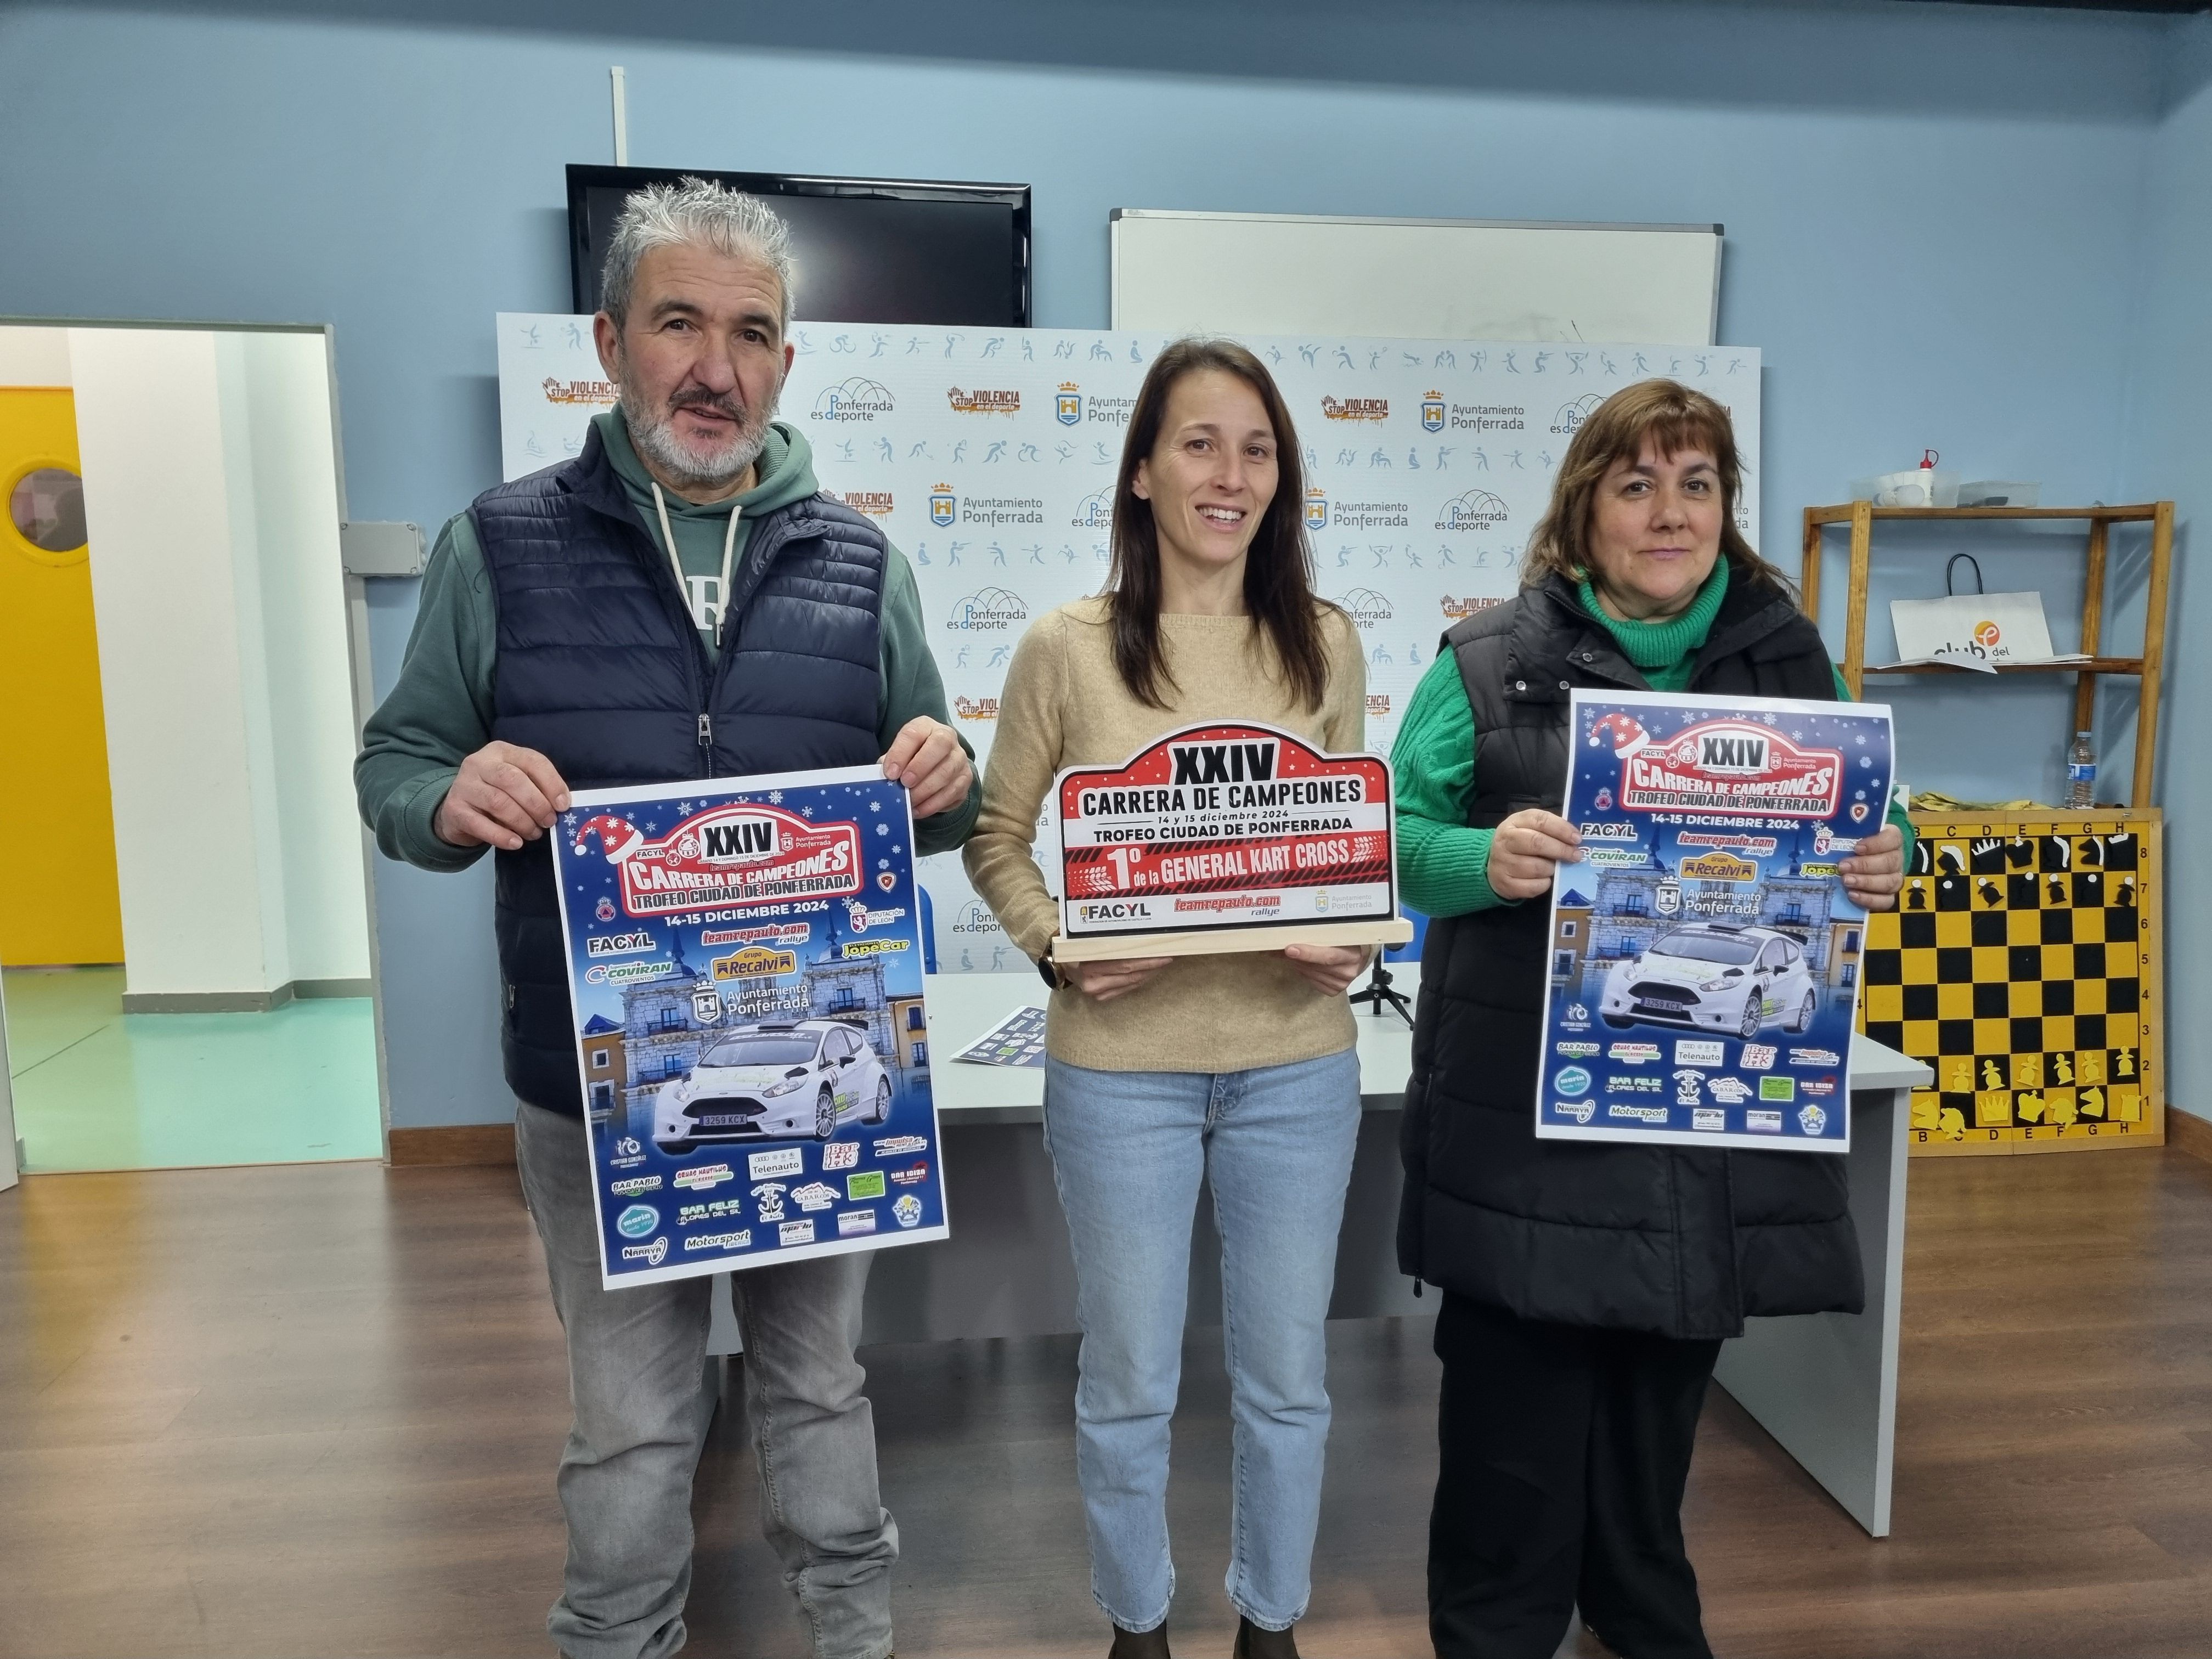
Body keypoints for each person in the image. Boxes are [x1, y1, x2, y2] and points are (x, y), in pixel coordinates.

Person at [356, 179, 979, 1659]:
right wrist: (452, 795)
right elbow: (398, 765)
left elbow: (937, 794)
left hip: (825, 1082)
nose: (718, 366)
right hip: (601, 1092)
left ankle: (851, 1634)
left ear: (786, 359)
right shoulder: (495, 544)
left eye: (752, 332)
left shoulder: (860, 560)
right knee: (633, 1422)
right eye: (680, 323)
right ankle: (617, 1639)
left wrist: (952, 773)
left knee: (818, 1384)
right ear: (611, 340)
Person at [1391, 379, 1911, 1659]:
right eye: (1637, 485)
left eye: (1697, 484)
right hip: (1528, 1133)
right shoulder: (1484, 661)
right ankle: (1498, 1631)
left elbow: (1879, 820)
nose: (1670, 513)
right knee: (1513, 1435)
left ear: (1728, 508)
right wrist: (1480, 859)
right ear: (1583, 514)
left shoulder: (1792, 658)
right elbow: (1387, 840)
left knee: (1650, 1431)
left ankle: (1638, 1616)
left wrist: (1893, 855)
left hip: (1706, 1144)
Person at [965, 339, 1371, 1659]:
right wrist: (1054, 947)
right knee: (1130, 1381)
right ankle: (1137, 1625)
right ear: (1142, 471)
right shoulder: (1066, 649)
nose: (1230, 474)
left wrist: (1350, 941)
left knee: (1288, 1385)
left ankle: (1272, 1623)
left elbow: (1337, 849)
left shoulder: (1326, 647)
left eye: (1257, 449)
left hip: (1297, 1064)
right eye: (1199, 443)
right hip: (1119, 1069)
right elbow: (997, 835)